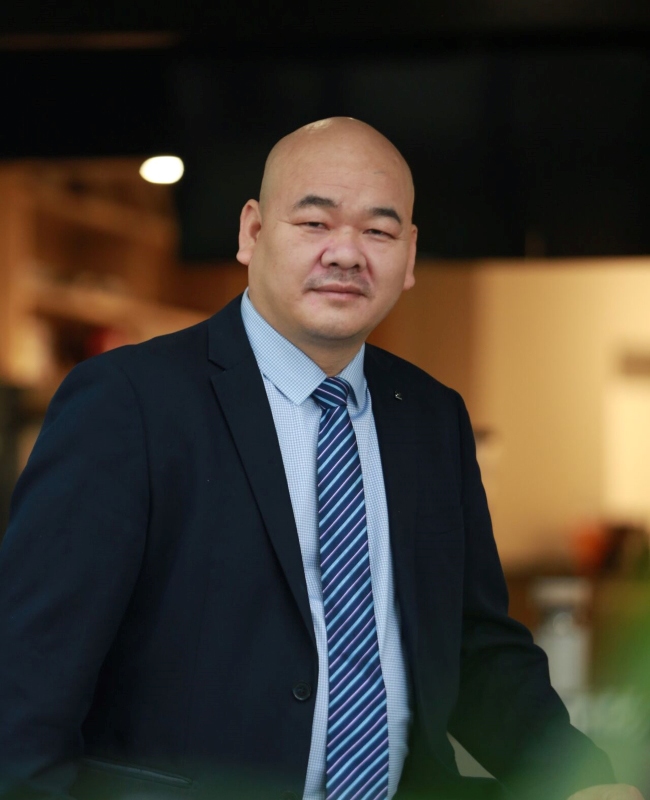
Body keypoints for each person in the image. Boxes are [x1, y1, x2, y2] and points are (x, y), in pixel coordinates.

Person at [0, 118, 642, 800]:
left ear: (409, 255)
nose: (346, 253)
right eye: (314, 223)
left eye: (379, 231)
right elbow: (28, 679)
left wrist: (581, 781)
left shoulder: (432, 418)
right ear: (252, 232)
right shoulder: (128, 403)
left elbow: (473, 646)